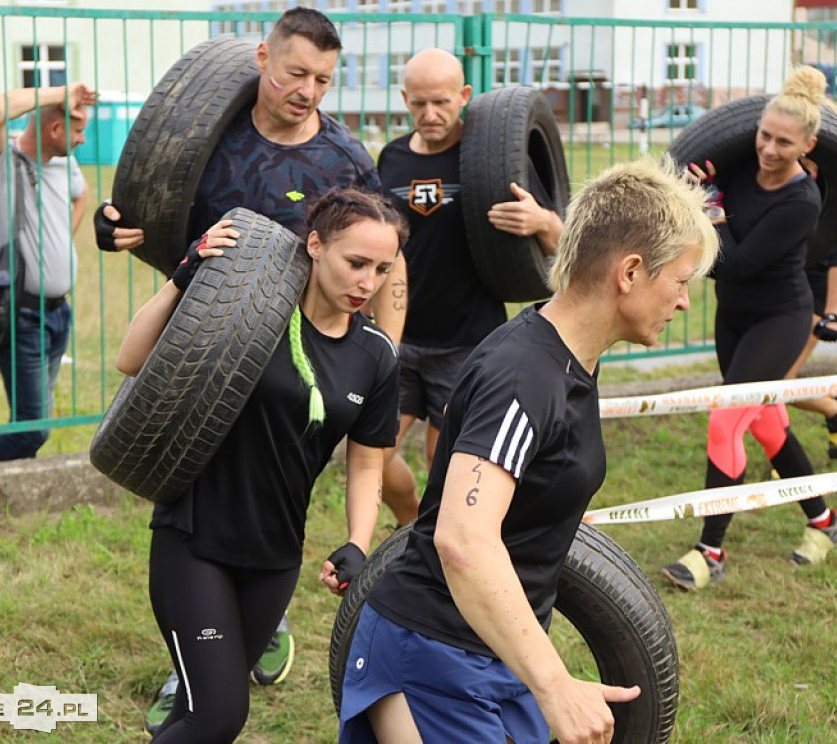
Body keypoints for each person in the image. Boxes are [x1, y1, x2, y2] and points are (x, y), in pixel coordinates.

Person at [338, 158, 720, 744]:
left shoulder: (569, 360)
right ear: (632, 272)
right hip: (432, 652)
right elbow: (462, 539)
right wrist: (555, 685)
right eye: (682, 280)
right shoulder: (525, 376)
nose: (685, 302)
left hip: (493, 651)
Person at [94, 7, 406, 713]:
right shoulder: (207, 140)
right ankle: (200, 659)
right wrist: (114, 227)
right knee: (198, 513)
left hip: (308, 357)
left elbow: (382, 258)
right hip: (207, 352)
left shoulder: (347, 163)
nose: (309, 90)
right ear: (262, 57)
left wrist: (384, 349)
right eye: (297, 73)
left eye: (324, 79)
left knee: (272, 492)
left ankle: (230, 641)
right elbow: (153, 218)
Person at [118, 188, 407, 743]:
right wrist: (184, 276)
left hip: (274, 558)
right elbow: (131, 360)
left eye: (381, 269)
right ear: (316, 245)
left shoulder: (375, 356)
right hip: (194, 542)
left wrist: (358, 540)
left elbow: (368, 464)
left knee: (197, 715)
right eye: (355, 263)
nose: (367, 283)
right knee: (219, 715)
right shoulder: (251, 312)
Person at [663, 66, 837, 592]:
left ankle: (709, 551)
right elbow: (699, 217)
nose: (769, 149)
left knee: (725, 422)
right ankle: (825, 523)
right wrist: (701, 190)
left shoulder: (802, 201)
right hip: (735, 317)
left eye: (784, 142)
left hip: (780, 317)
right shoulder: (741, 165)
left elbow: (737, 262)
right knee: (767, 424)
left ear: (809, 144)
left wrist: (712, 203)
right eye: (764, 136)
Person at [378, 47, 563, 527]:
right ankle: (407, 525)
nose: (430, 114)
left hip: (467, 343)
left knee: (448, 474)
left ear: (464, 96)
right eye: (418, 103)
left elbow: (567, 242)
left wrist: (540, 220)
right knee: (373, 459)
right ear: (404, 98)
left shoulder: (492, 159)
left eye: (441, 102)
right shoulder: (391, 158)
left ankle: (435, 546)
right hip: (402, 337)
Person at [0, 82, 93, 465]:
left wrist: (59, 243)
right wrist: (60, 93)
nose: (83, 140)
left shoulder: (63, 161)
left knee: (30, 421)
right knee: (31, 428)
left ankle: (0, 495)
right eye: (77, 130)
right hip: (20, 316)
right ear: (55, 130)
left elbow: (81, 195)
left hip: (59, 312)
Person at [784, 243, 837, 460]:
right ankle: (836, 411)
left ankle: (836, 410)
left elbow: (836, 251)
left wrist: (832, 313)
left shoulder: (824, 212)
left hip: (811, 300)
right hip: (777, 297)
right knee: (768, 384)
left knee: (778, 381)